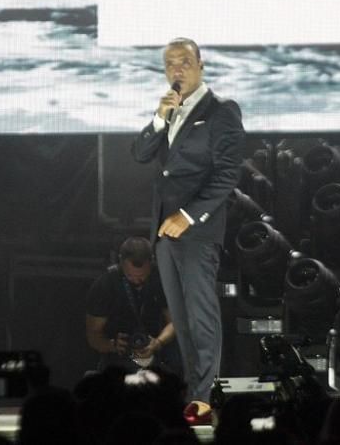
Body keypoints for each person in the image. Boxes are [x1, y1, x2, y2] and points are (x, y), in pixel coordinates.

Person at [131, 37, 245, 424]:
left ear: (200, 63)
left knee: (200, 314)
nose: (176, 69)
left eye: (183, 61)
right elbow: (141, 154)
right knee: (180, 318)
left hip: (195, 230)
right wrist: (160, 118)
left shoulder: (221, 112)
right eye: (169, 64)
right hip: (164, 232)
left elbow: (228, 174)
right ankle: (194, 391)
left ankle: (204, 395)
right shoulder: (171, 111)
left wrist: (189, 215)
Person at [85, 236, 177, 373]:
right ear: (121, 263)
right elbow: (93, 334)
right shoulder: (106, 284)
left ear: (151, 264)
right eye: (130, 276)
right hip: (115, 358)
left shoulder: (161, 279)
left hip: (157, 354)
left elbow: (175, 321)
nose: (136, 281)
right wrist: (112, 345)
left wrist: (157, 342)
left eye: (142, 277)